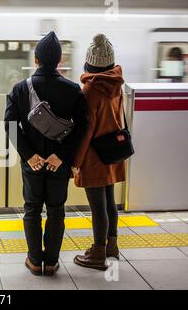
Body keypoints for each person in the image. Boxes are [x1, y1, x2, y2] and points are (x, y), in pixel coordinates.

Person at [4, 31, 88, 276]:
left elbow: (9, 124)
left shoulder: (20, 89)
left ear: (36, 60)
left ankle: (34, 260)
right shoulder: (73, 90)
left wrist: (29, 154)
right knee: (56, 209)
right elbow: (83, 126)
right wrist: (61, 155)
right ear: (60, 61)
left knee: (32, 209)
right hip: (57, 163)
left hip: (33, 163)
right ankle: (51, 262)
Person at [72, 34, 125, 271]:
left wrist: (76, 161)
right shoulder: (117, 84)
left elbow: (86, 132)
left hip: (94, 157)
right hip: (112, 152)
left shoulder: (90, 91)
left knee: (97, 207)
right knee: (110, 202)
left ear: (89, 63)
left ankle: (98, 253)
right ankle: (111, 246)